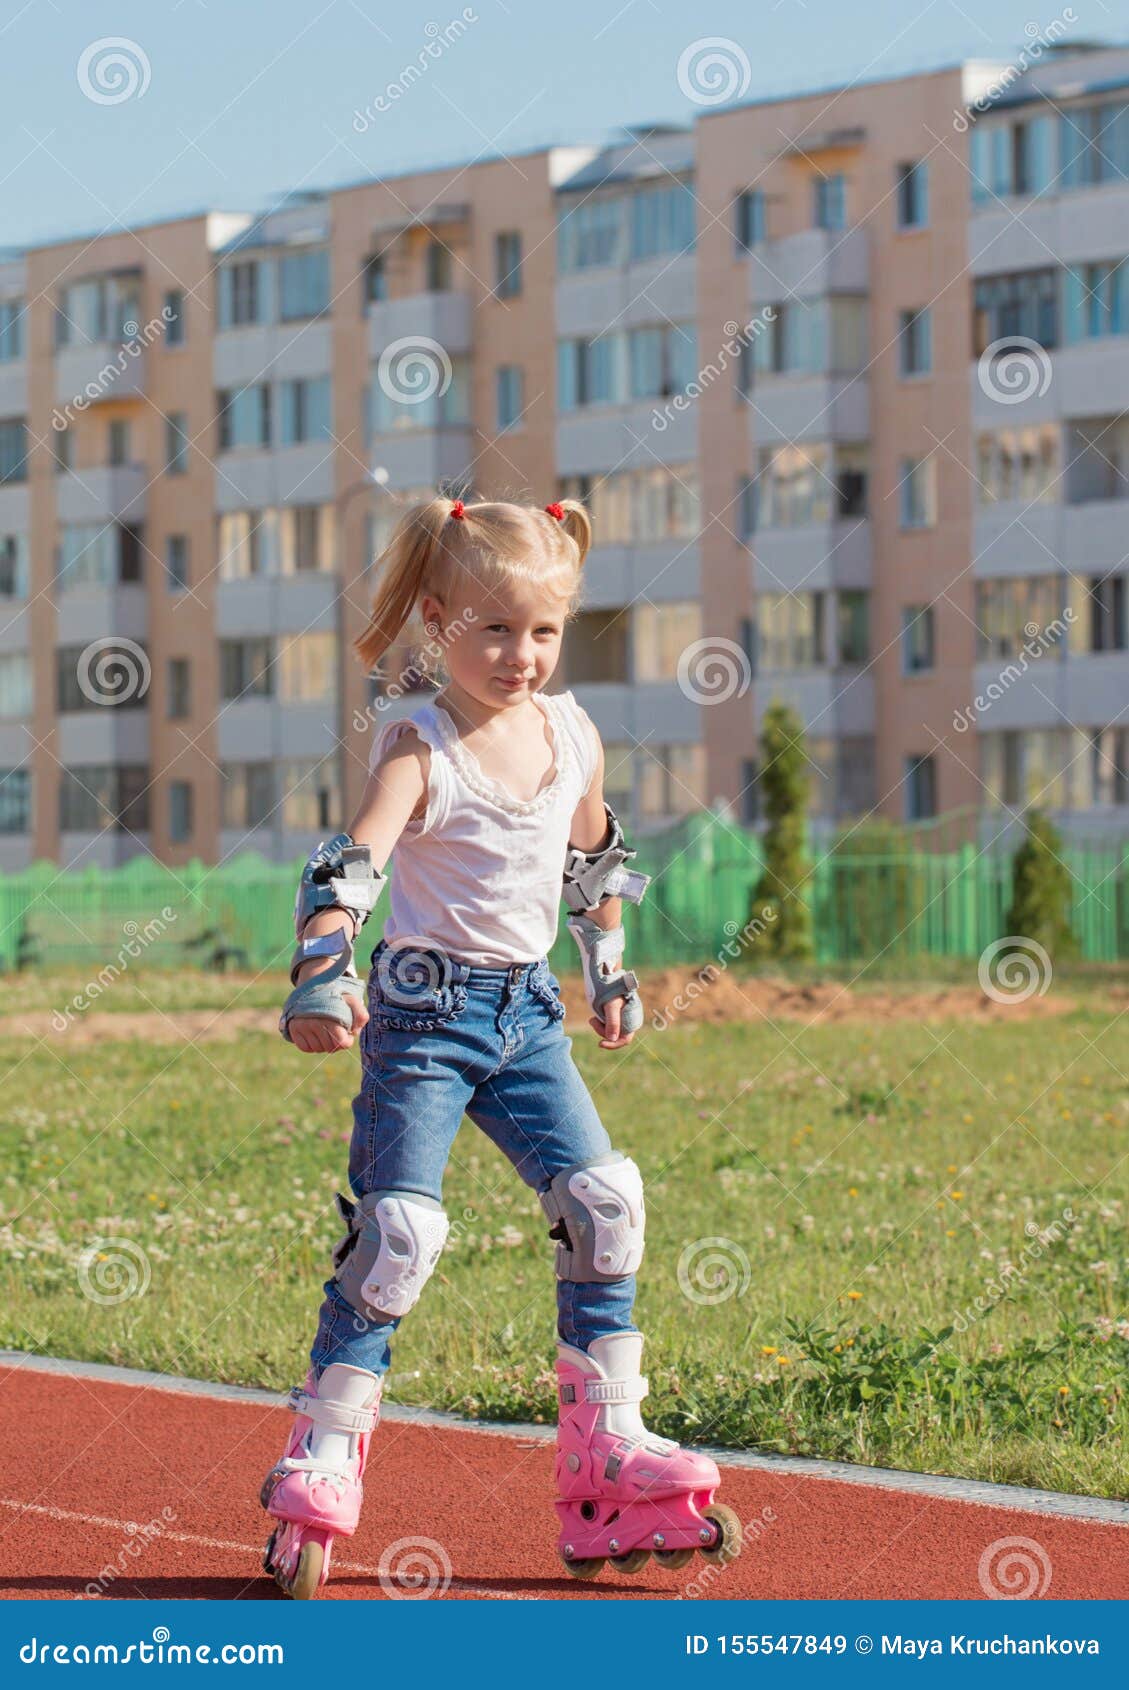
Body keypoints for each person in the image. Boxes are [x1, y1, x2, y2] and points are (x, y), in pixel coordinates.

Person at [260, 495, 741, 1597]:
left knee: (607, 1204)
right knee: (399, 1232)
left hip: (525, 1017)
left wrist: (607, 968)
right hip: (424, 1019)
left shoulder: (571, 732)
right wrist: (322, 972)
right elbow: (351, 865)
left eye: (542, 632)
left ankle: (606, 1453)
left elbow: (593, 859)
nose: (518, 656)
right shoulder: (419, 740)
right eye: (491, 630)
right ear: (436, 620)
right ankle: (324, 1447)